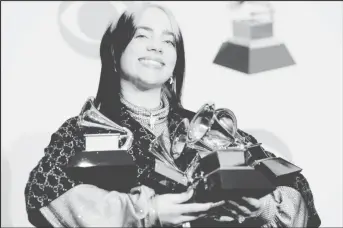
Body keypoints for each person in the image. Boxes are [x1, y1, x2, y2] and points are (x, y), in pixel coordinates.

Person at [24, 2, 321, 227]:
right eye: (142, 36)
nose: (156, 46)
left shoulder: (212, 129)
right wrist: (143, 211)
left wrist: (265, 207)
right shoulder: (83, 130)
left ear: (175, 63)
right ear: (115, 56)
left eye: (169, 41)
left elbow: (297, 188)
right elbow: (43, 193)